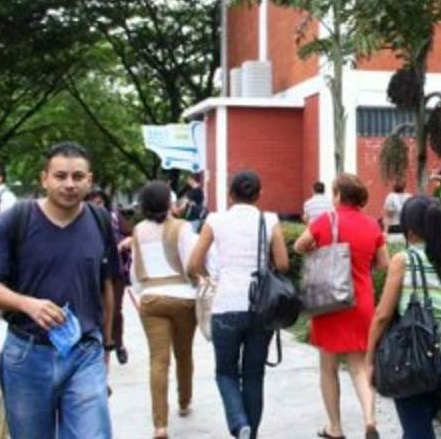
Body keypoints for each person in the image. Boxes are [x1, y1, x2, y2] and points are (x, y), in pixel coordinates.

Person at [0, 142, 119, 438]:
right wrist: (27, 304)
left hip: (84, 352)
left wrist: (106, 347)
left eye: (78, 177)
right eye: (60, 176)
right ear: (44, 179)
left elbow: (107, 287)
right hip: (27, 355)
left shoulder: (100, 221)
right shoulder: (17, 219)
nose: (69, 184)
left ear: (89, 180)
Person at [366, 195, 441, 439]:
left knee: (418, 431)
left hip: (410, 359)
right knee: (417, 427)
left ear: (409, 230)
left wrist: (369, 361)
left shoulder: (404, 260)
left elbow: (382, 315)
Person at [188, 171, 290, 439]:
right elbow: (282, 264)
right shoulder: (269, 220)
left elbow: (193, 264)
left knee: (225, 373)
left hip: (226, 306)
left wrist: (210, 279)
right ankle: (250, 433)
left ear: (230, 194)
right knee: (254, 375)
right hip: (261, 308)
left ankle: (238, 422)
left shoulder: (215, 220)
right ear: (258, 194)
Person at [294, 174, 389, 439]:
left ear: (338, 195)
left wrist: (317, 249)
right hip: (361, 302)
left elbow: (299, 246)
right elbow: (384, 264)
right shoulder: (372, 225)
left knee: (328, 368)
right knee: (359, 367)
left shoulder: (326, 220)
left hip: (329, 302)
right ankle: (369, 419)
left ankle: (335, 428)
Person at [130, 180, 199, 439]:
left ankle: (160, 425)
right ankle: (184, 401)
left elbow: (135, 269)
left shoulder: (138, 230)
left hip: (151, 299)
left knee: (158, 360)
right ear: (169, 202)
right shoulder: (182, 228)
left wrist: (141, 291)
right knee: (184, 353)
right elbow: (192, 264)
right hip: (183, 298)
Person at [86, 188, 132, 365]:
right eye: (91, 203)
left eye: (99, 202)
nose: (96, 206)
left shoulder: (113, 218)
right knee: (95, 310)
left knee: (115, 311)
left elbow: (133, 235)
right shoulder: (79, 221)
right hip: (91, 271)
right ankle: (100, 346)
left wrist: (122, 244)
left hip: (114, 270)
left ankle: (117, 344)